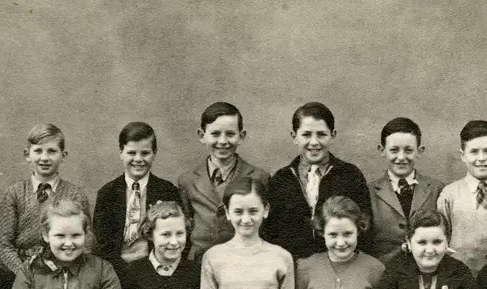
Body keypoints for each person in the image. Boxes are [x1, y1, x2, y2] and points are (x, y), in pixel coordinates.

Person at [263, 101, 373, 259]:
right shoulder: (281, 179)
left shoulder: (350, 175)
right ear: (294, 136)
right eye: (306, 135)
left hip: (340, 264)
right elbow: (270, 232)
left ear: (332, 135)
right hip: (293, 267)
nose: (314, 142)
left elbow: (365, 228)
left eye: (321, 134)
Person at [177, 102, 269, 261]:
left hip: (245, 261)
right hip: (200, 264)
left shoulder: (259, 177)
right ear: (201, 135)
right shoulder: (187, 180)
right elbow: (185, 227)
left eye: (230, 134)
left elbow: (266, 229)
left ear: (241, 136)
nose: (223, 141)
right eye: (215, 134)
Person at [0, 123, 91, 274]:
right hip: (21, 272)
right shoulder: (14, 193)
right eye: (38, 151)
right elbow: (3, 246)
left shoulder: (75, 195)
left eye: (52, 151)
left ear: (63, 156)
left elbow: (87, 241)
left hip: (64, 270)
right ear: (27, 155)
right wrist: (24, 275)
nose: (44, 158)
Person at [437, 120, 487, 274]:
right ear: (463, 155)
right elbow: (440, 237)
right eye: (474, 152)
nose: (481, 158)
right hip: (458, 277)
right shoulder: (449, 194)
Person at [93, 122, 181, 264]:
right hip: (116, 269)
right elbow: (103, 244)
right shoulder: (107, 193)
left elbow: (178, 236)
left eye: (145, 153)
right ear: (121, 153)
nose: (138, 159)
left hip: (155, 267)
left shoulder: (167, 191)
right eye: (131, 153)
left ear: (154, 153)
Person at [368, 117, 444, 263]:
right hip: (385, 273)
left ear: (419, 151)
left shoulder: (437, 189)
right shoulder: (369, 191)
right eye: (394, 150)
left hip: (427, 271)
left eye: (408, 150)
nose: (401, 157)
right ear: (382, 150)